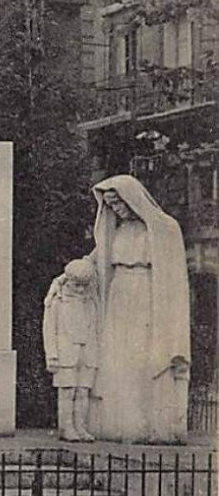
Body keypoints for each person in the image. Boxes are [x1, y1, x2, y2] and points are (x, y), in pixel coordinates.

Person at [87, 174, 191, 444]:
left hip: (146, 294)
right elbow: (97, 261)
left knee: (143, 355)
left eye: (119, 202)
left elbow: (172, 275)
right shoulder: (117, 231)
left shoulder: (165, 228)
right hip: (119, 293)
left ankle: (150, 424)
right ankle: (118, 424)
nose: (116, 208)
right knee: (118, 355)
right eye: (110, 205)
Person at [43, 257, 100, 442]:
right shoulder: (57, 300)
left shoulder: (92, 299)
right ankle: (66, 427)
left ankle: (81, 427)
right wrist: (51, 355)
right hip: (65, 352)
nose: (81, 289)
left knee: (83, 391)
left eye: (85, 285)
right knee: (67, 391)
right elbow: (49, 329)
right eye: (77, 285)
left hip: (87, 351)